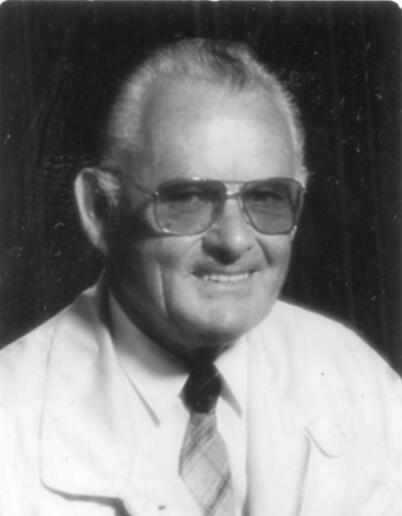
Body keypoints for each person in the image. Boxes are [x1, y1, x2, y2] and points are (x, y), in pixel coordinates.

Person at [1, 38, 401, 516]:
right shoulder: (11, 420)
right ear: (100, 212)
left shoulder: (355, 375)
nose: (233, 241)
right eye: (188, 199)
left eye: (267, 198)